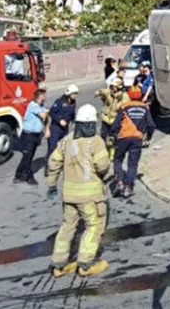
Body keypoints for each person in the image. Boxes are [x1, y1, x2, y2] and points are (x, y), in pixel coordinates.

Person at [45, 104, 112, 278]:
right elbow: (103, 166)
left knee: (67, 227)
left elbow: (53, 163)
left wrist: (52, 185)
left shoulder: (66, 141)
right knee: (94, 226)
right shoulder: (95, 141)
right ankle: (85, 263)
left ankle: (58, 264)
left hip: (69, 196)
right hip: (90, 197)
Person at [109, 86, 154, 199]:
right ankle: (128, 187)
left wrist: (114, 135)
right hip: (137, 139)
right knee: (133, 163)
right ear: (140, 95)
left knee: (118, 159)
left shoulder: (124, 107)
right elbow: (151, 125)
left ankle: (119, 181)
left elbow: (115, 125)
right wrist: (148, 137)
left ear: (129, 95)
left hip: (123, 137)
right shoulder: (145, 108)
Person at [14, 88, 49, 185]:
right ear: (40, 96)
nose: (45, 97)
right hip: (28, 135)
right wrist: (47, 112)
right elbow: (44, 116)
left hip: (36, 135)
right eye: (44, 95)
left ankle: (19, 175)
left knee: (28, 156)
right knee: (27, 156)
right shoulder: (33, 105)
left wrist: (46, 130)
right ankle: (28, 176)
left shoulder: (41, 106)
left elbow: (46, 118)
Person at [95, 76, 127, 152]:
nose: (112, 88)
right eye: (111, 86)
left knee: (113, 138)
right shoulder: (109, 92)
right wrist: (99, 92)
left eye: (114, 87)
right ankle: (103, 151)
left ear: (119, 87)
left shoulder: (124, 96)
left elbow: (121, 108)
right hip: (106, 118)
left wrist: (118, 100)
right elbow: (103, 91)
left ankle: (113, 153)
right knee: (103, 135)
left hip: (115, 120)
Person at [47, 85, 79, 157]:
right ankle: (49, 164)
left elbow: (72, 113)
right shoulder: (59, 101)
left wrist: (73, 122)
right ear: (69, 93)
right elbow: (51, 112)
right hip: (56, 127)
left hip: (65, 129)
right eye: (73, 94)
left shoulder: (73, 102)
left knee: (64, 146)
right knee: (53, 147)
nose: (75, 96)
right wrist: (60, 120)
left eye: (76, 94)